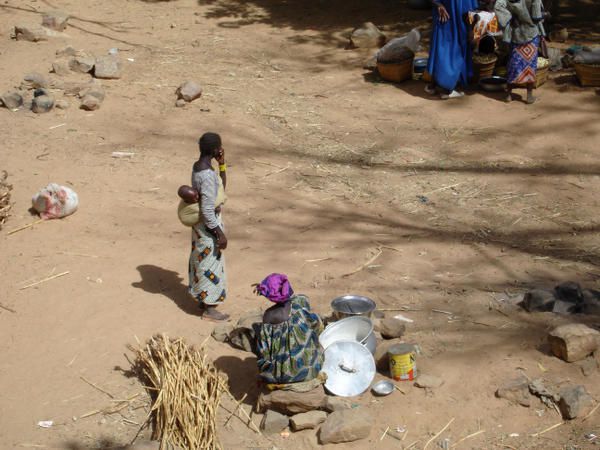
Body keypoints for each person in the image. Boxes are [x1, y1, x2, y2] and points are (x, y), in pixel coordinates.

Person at [253, 274, 324, 384]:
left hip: (283, 375)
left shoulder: (269, 315)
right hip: (310, 369)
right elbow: (317, 326)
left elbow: (265, 350)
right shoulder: (300, 307)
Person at [188, 132, 229, 321]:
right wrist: (219, 234)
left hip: (199, 228)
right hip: (208, 226)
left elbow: (220, 190)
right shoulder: (207, 175)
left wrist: (222, 165)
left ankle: (203, 299)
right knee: (210, 265)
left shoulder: (198, 167)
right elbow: (207, 209)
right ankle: (210, 309)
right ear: (214, 149)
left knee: (201, 263)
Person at [495, 0, 546, 104]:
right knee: (530, 66)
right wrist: (545, 14)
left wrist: (511, 17)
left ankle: (509, 95)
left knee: (513, 65)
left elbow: (498, 6)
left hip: (516, 35)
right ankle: (529, 96)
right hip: (531, 35)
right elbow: (536, 16)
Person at [426, 0, 478, 99]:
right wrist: (471, 29)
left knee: (441, 50)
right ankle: (447, 90)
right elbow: (469, 11)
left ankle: (432, 86)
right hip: (457, 22)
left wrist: (439, 5)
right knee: (454, 54)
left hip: (443, 20)